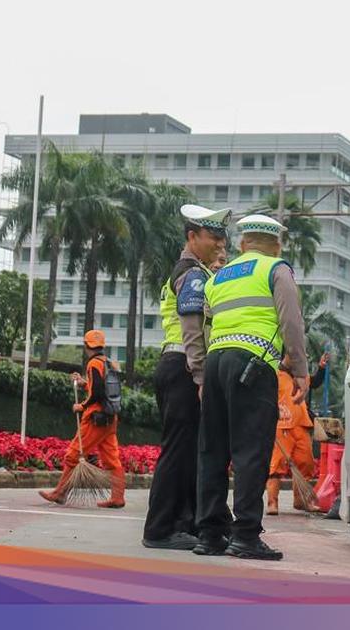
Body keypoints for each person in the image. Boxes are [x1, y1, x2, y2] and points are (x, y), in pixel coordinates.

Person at [196, 214, 308, 561]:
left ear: (243, 244)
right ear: (277, 245)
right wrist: (300, 369)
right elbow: (291, 320)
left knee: (212, 451)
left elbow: (205, 325)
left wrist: (203, 375)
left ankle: (209, 535)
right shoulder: (276, 269)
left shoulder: (217, 276)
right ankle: (245, 536)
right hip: (253, 363)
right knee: (251, 452)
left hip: (215, 362)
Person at [142, 205, 229, 551]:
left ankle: (187, 523)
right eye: (213, 237)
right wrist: (201, 376)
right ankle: (159, 529)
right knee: (178, 451)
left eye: (222, 238)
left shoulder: (198, 272)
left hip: (181, 365)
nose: (219, 244)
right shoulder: (192, 274)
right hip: (184, 367)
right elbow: (192, 330)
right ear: (192, 236)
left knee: (190, 450)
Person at [38, 330, 126, 508]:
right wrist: (84, 383)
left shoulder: (93, 363)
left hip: (95, 419)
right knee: (112, 460)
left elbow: (97, 393)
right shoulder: (108, 362)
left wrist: (82, 406)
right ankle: (118, 497)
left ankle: (60, 493)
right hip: (110, 417)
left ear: (87, 346)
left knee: (72, 455)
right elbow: (103, 389)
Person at [267, 368, 318, 515]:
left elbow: (316, 382)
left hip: (301, 424)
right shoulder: (276, 375)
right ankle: (272, 502)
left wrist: (321, 368)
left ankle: (300, 500)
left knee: (306, 463)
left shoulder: (303, 376)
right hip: (282, 425)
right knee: (277, 464)